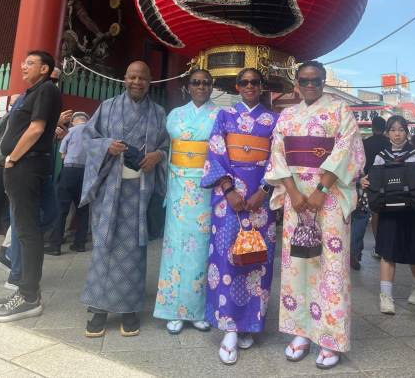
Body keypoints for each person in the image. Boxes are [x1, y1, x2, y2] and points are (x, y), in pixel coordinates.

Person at [266, 60, 365, 370]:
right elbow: (277, 154)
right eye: (305, 80)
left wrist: (321, 190)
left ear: (324, 82)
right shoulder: (287, 115)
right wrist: (293, 193)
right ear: (297, 83)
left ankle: (330, 338)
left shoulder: (340, 110)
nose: (310, 85)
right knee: (297, 264)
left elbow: (346, 150)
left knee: (331, 266)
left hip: (330, 197)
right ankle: (301, 332)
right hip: (296, 198)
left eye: (316, 80)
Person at [80, 61, 169, 338]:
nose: (137, 82)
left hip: (139, 190)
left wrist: (158, 156)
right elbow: (88, 138)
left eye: (142, 78)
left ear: (150, 80)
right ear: (125, 78)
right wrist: (107, 146)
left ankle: (130, 309)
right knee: (104, 245)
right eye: (132, 77)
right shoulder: (107, 107)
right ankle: (98, 308)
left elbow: (167, 145)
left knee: (134, 250)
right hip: (109, 189)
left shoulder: (158, 113)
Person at [201, 68, 279, 365]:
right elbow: (215, 153)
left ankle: (249, 325)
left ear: (261, 86)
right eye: (244, 82)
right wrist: (228, 189)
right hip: (228, 200)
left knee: (257, 261)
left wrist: (264, 190)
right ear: (237, 86)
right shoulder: (224, 116)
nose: (249, 86)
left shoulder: (274, 119)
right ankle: (230, 329)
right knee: (227, 259)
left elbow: (279, 158)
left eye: (254, 82)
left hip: (260, 199)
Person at [0, 51, 61, 322]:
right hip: (22, 166)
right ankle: (25, 289)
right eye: (24, 62)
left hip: (26, 166)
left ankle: (29, 296)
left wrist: (12, 158)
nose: (23, 66)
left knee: (27, 231)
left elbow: (36, 129)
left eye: (30, 63)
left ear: (44, 69)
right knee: (25, 230)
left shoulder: (46, 89)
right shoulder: (32, 92)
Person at [154, 69, 219, 334]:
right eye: (196, 82)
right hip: (179, 188)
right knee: (175, 247)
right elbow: (164, 149)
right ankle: (173, 309)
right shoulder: (175, 115)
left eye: (206, 83)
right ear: (188, 86)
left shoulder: (220, 115)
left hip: (206, 187)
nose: (201, 87)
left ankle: (199, 310)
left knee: (202, 248)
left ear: (212, 86)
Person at [361, 115, 415, 315]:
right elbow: (372, 179)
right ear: (387, 133)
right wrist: (365, 181)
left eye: (401, 130)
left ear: (407, 132)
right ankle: (386, 296)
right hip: (389, 211)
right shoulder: (381, 156)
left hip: (413, 210)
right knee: (387, 252)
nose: (397, 134)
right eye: (393, 130)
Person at [45, 112, 90, 256]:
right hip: (86, 173)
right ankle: (79, 244)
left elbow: (62, 154)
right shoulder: (94, 133)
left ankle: (55, 245)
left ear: (73, 122)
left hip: (70, 171)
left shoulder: (71, 131)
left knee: (61, 209)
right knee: (83, 210)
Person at [351, 116, 388, 270]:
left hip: (366, 183)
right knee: (384, 216)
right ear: (385, 128)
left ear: (373, 127)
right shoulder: (389, 144)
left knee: (361, 217)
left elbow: (358, 164)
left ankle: (354, 252)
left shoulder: (365, 144)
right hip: (387, 186)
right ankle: (382, 247)